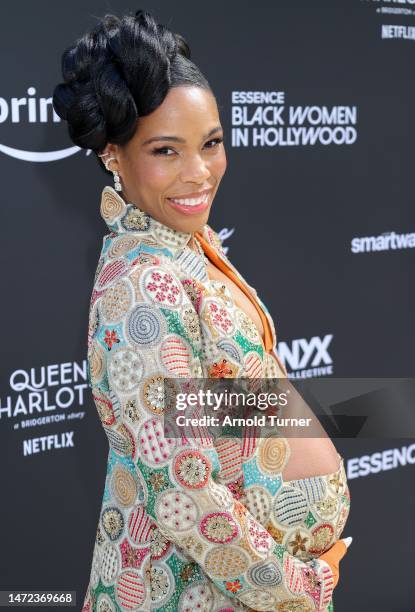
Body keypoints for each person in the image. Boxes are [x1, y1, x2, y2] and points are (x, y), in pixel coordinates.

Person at [53, 9, 352, 611]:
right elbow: (180, 495)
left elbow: (221, 403)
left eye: (211, 143)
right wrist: (297, 587)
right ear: (114, 155)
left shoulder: (187, 244)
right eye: (166, 150)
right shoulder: (143, 288)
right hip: (190, 591)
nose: (199, 173)